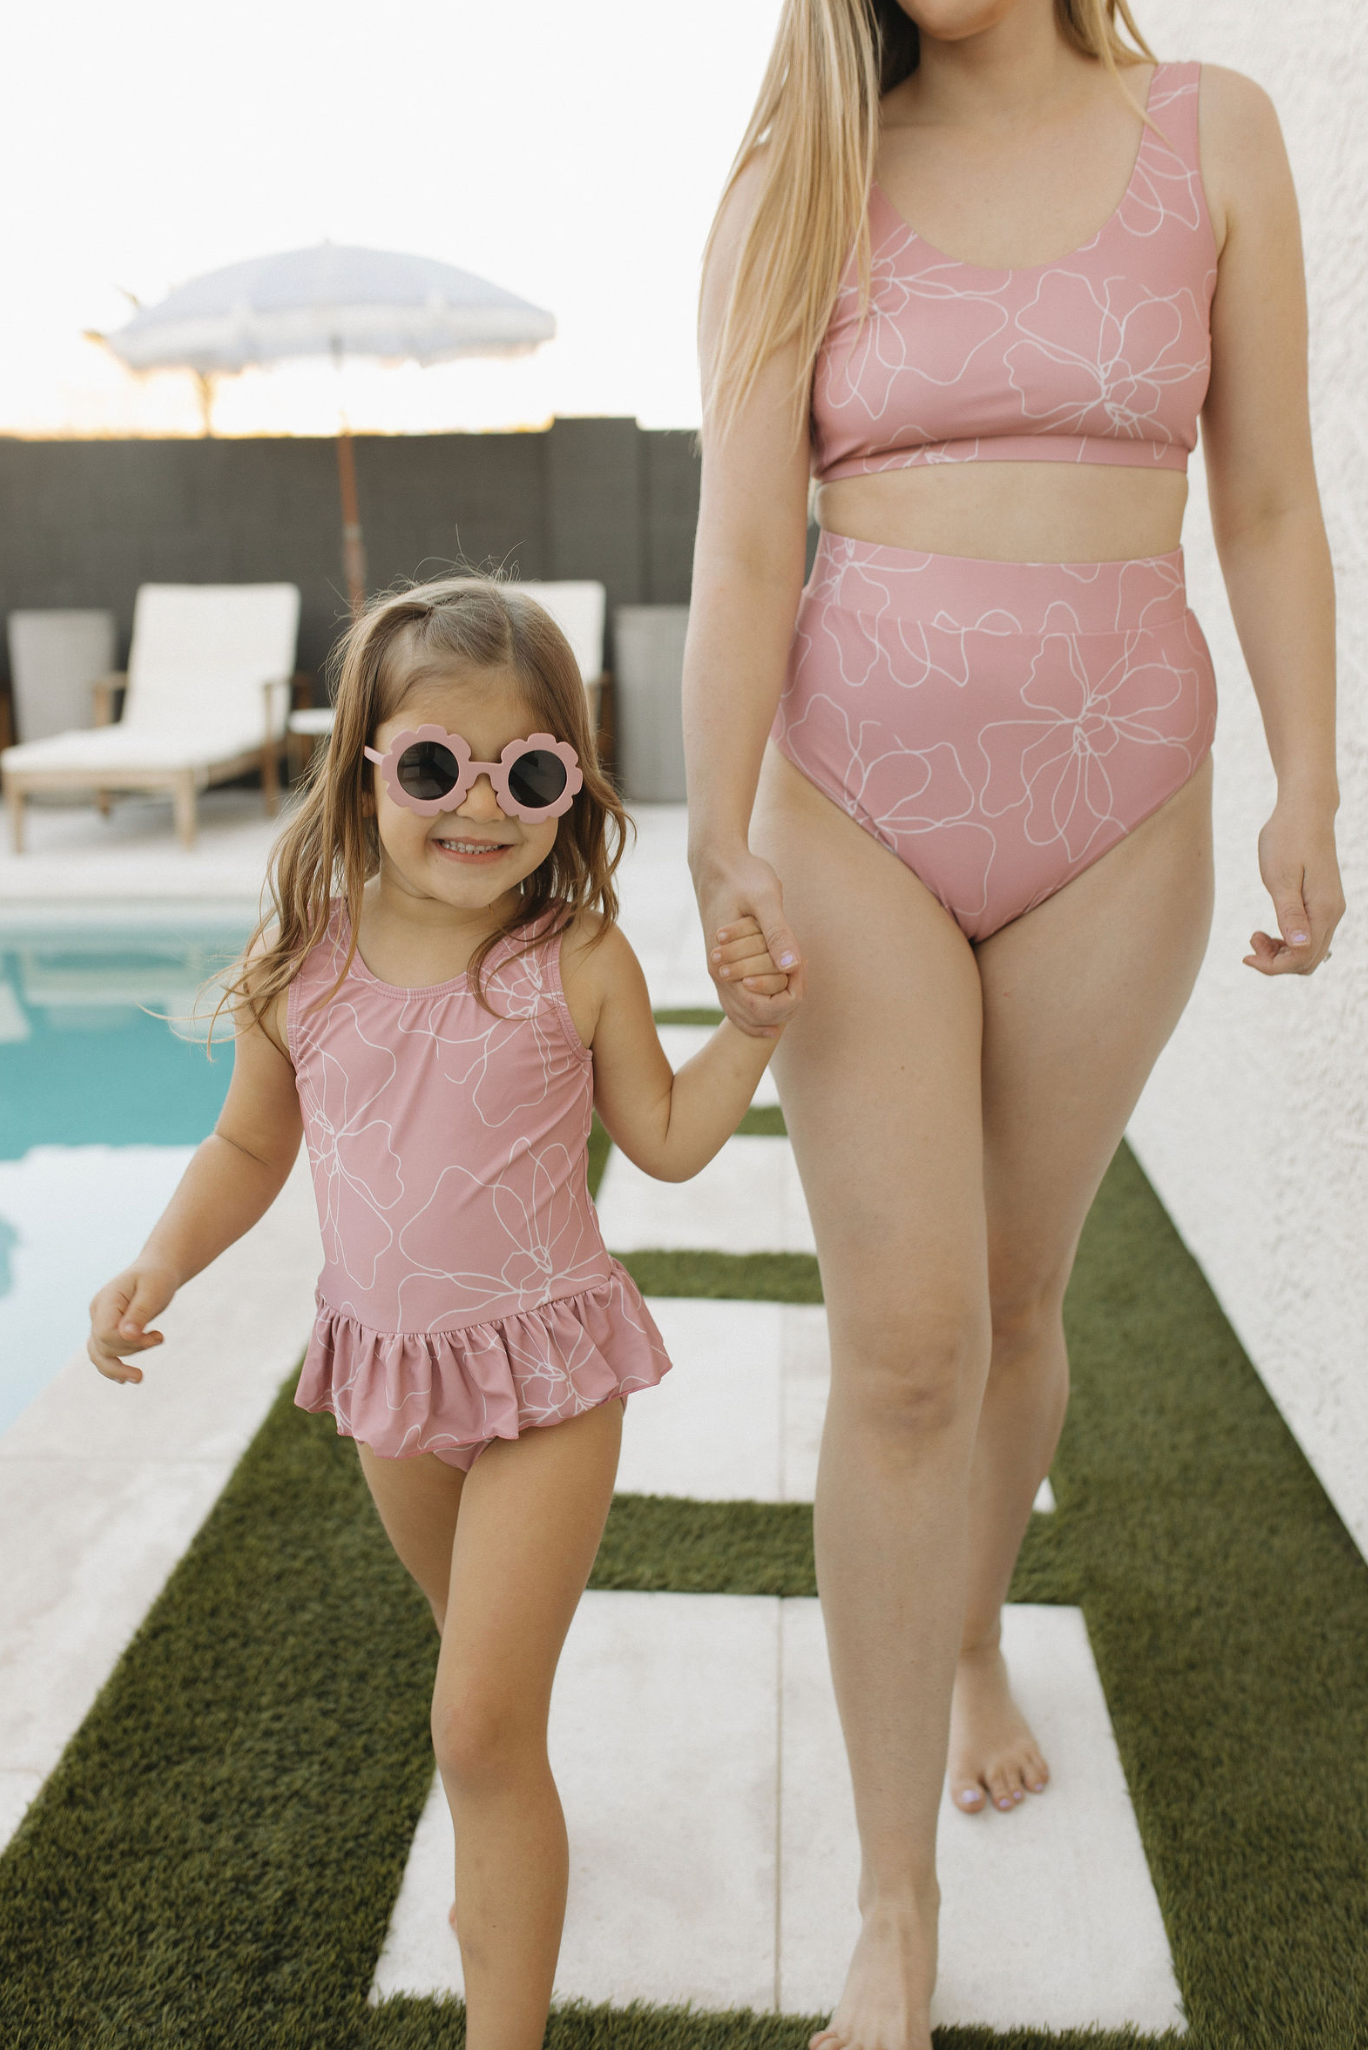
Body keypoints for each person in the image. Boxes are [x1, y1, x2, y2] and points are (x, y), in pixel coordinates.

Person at [687, 2, 1342, 2044]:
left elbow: (1266, 501)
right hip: (853, 803)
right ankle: (895, 1907)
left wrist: (1309, 778)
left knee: (1025, 1295)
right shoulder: (802, 164)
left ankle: (973, 1629)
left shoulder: (1217, 136)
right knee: (905, 1341)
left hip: (1118, 802)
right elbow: (740, 532)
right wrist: (715, 831)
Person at [87, 577, 793, 2050]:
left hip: (547, 1374)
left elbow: (661, 1141)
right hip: (389, 1377)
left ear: (569, 790)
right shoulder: (306, 965)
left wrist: (749, 1034)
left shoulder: (576, 961)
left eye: (526, 773)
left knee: (471, 1721)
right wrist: (161, 1262)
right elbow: (246, 1150)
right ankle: (518, 1829)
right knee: (484, 1702)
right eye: (433, 767)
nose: (479, 808)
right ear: (367, 768)